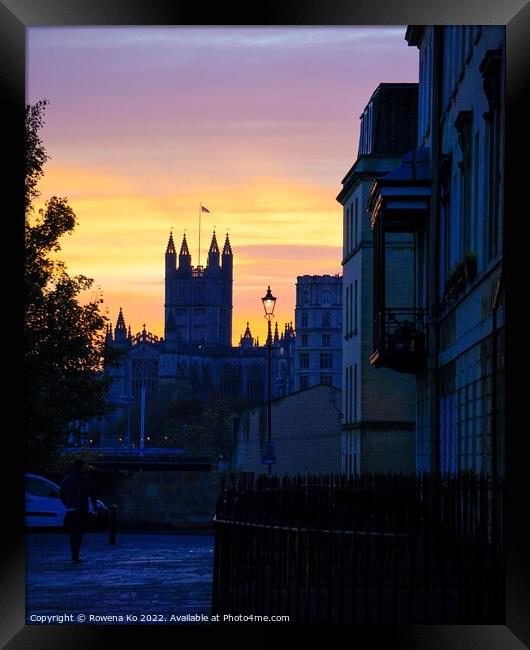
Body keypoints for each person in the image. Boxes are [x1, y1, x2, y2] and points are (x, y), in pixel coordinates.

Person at [60, 459, 97, 563]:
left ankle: (73, 553)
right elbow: (92, 494)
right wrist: (94, 507)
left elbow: (61, 494)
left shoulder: (66, 479)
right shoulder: (85, 480)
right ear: (82, 468)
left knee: (72, 533)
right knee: (79, 533)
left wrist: (67, 503)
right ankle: (76, 554)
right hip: (81, 509)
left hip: (70, 509)